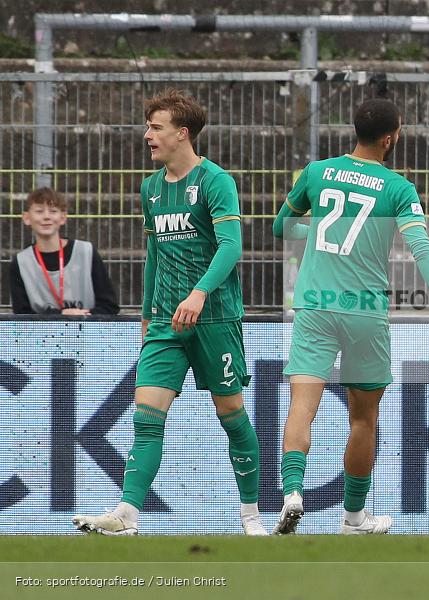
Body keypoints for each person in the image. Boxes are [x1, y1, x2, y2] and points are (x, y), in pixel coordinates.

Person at [272, 98, 429, 535]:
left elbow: (280, 228)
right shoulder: (397, 188)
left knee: (301, 408)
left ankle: (291, 492)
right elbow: (421, 247)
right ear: (389, 138)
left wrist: (325, 230)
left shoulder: (317, 171)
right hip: (365, 312)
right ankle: (354, 518)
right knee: (363, 419)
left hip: (315, 307)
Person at [72, 88, 265, 536]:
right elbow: (154, 253)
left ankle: (252, 516)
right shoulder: (151, 188)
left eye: (156, 128)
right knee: (145, 416)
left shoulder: (217, 181)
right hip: (164, 323)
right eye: (148, 127)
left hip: (214, 318)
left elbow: (232, 246)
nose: (147, 136)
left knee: (232, 416)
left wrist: (198, 294)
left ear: (182, 133)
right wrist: (146, 315)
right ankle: (127, 514)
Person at [8, 187, 119, 315]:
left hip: (88, 331)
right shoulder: (21, 262)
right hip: (43, 334)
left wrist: (82, 315)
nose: (46, 217)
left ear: (63, 217)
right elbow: (22, 314)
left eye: (53, 211)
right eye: (39, 211)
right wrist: (61, 316)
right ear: (26, 218)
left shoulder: (86, 252)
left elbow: (110, 306)